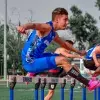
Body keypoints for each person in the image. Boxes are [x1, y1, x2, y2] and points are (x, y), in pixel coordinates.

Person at [17, 7, 99, 91]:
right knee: (62, 60)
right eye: (65, 19)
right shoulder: (47, 27)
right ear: (57, 19)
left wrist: (78, 52)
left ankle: (33, 72)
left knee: (61, 58)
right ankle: (88, 84)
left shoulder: (53, 33)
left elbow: (64, 44)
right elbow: (34, 25)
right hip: (30, 61)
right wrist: (23, 26)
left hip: (38, 57)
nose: (67, 22)